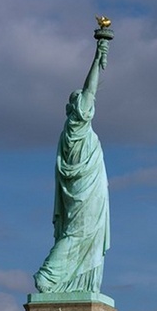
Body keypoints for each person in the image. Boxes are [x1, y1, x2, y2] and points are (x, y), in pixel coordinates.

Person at [34, 33, 112, 294]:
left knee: (82, 235)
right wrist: (98, 56)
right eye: (83, 101)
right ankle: (48, 276)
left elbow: (89, 94)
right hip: (84, 194)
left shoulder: (73, 133)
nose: (88, 103)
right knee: (78, 234)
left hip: (88, 191)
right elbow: (90, 90)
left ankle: (75, 283)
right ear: (77, 109)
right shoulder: (76, 127)